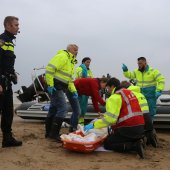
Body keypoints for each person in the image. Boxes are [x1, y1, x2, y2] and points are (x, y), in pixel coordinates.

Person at [84, 77, 145, 158]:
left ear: (112, 86)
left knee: (108, 143)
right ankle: (138, 140)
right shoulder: (129, 93)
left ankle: (134, 146)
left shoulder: (114, 97)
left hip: (128, 128)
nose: (108, 90)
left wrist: (94, 125)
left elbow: (110, 119)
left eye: (108, 88)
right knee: (118, 136)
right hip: (140, 127)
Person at [45, 44, 81, 141]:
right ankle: (54, 134)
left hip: (60, 87)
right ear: (69, 49)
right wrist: (50, 84)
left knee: (53, 108)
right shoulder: (63, 56)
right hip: (55, 86)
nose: (76, 51)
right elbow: (50, 68)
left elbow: (69, 80)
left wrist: (74, 91)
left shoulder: (71, 62)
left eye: (77, 50)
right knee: (63, 108)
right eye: (75, 49)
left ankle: (48, 133)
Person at [0, 16, 22, 147]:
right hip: (1, 82)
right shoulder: (2, 40)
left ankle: (7, 139)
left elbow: (7, 62)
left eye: (18, 25)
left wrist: (13, 73)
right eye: (16, 25)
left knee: (8, 111)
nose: (18, 27)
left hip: (7, 82)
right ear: (7, 26)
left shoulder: (10, 41)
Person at [120, 80, 158, 148]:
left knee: (136, 132)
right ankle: (153, 141)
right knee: (149, 130)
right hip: (147, 116)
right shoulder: (140, 93)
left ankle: (142, 141)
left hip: (140, 117)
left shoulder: (129, 94)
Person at [75, 57, 93, 124]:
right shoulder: (79, 69)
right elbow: (79, 78)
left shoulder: (89, 71)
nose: (89, 64)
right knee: (79, 106)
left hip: (86, 92)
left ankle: (81, 122)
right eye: (87, 62)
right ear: (83, 62)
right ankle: (76, 122)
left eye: (89, 62)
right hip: (80, 91)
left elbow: (91, 80)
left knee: (84, 107)